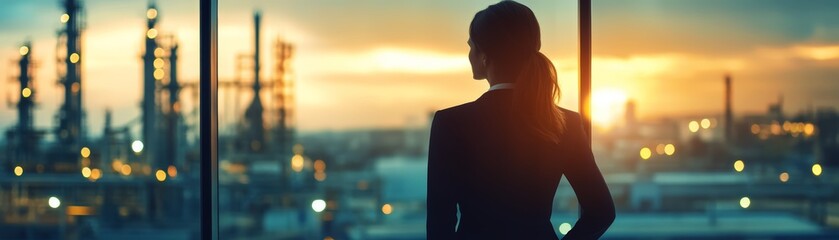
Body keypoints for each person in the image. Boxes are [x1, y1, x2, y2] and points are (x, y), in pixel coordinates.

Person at [426, 1, 615, 239]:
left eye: (471, 46)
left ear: (484, 56)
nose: (469, 54)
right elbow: (602, 212)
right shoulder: (565, 122)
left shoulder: (451, 123)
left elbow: (439, 223)